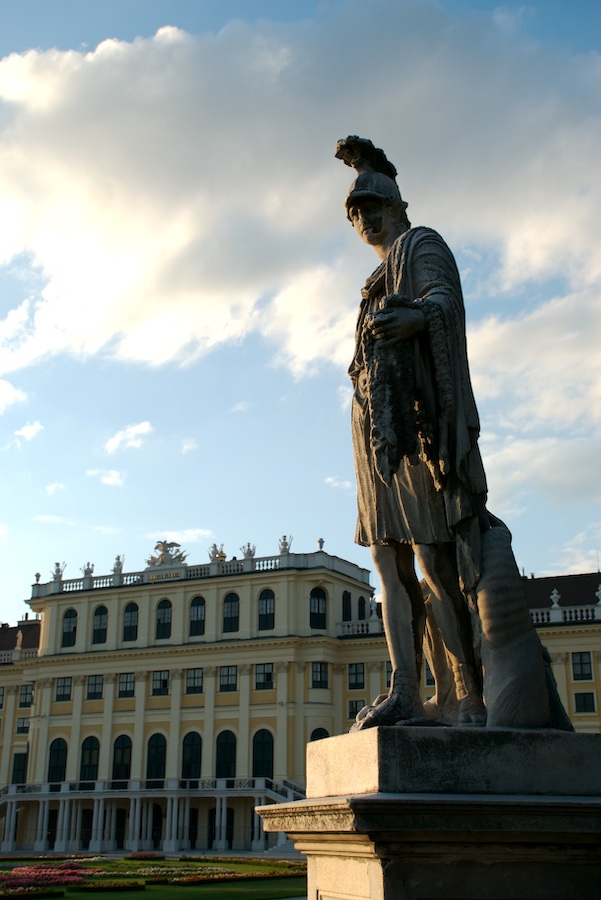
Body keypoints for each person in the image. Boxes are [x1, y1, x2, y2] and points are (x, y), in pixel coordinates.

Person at [337, 136, 488, 727]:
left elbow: (445, 301)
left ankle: (467, 692)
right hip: (372, 426)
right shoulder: (375, 277)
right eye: (356, 212)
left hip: (414, 422)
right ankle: (406, 685)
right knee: (386, 559)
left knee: (431, 555)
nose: (365, 219)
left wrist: (417, 317)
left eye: (374, 206)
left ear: (398, 206)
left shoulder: (421, 244)